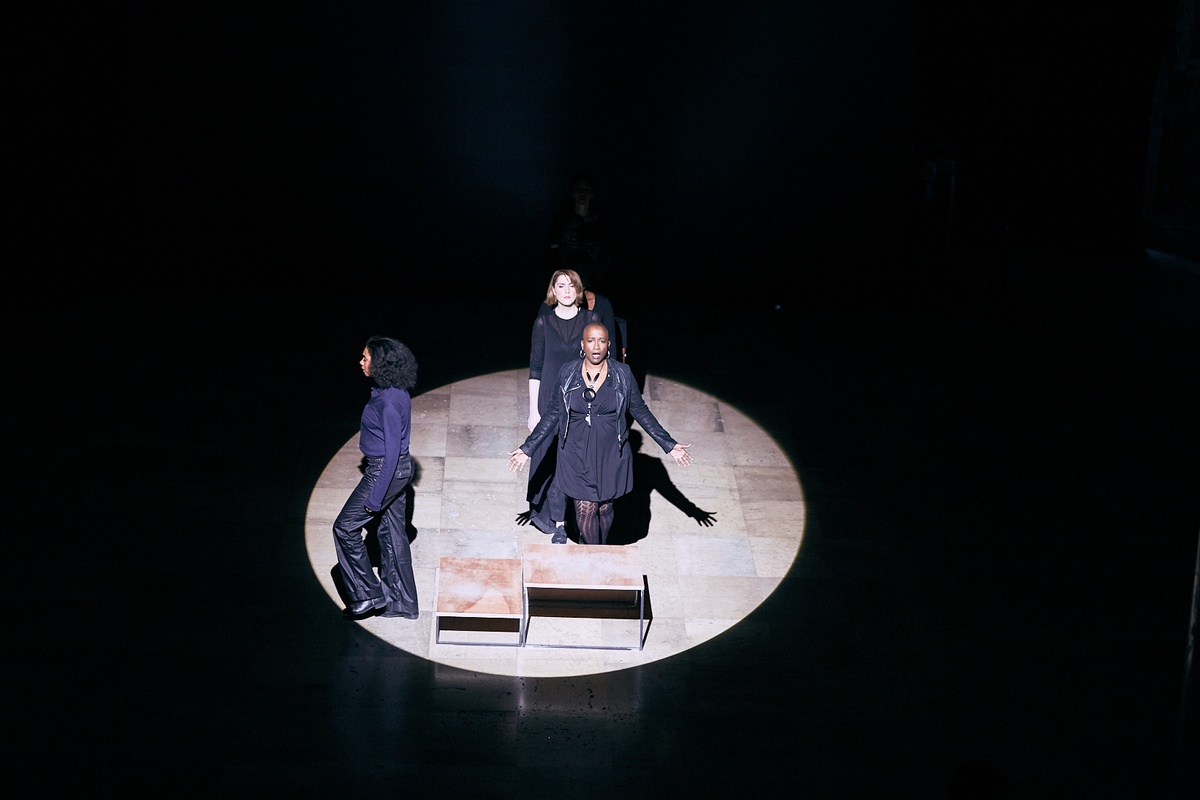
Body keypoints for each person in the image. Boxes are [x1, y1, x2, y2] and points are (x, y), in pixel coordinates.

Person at [508, 322, 693, 545]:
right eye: (591, 341)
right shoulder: (568, 372)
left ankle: (603, 551)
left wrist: (669, 444)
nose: (596, 346)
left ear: (608, 346)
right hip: (575, 453)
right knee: (585, 508)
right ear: (582, 345)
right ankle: (595, 558)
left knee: (605, 508)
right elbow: (553, 413)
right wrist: (528, 448)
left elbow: (641, 411)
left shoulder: (622, 374)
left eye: (602, 341)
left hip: (610, 454)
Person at [332, 335, 420, 620]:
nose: (361, 362)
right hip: (397, 471)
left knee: (344, 528)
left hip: (385, 471)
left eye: (365, 358)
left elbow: (392, 454)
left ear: (379, 364)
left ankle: (368, 594)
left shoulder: (388, 404)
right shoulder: (396, 392)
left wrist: (375, 496)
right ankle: (401, 602)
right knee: (393, 534)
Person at [525, 269, 601, 536]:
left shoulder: (590, 319)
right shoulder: (543, 323)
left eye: (571, 286)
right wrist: (533, 410)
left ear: (578, 290)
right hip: (549, 398)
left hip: (580, 400)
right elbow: (536, 367)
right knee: (551, 458)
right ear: (553, 291)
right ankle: (557, 521)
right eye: (561, 286)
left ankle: (578, 517)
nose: (567, 291)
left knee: (578, 460)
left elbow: (601, 361)